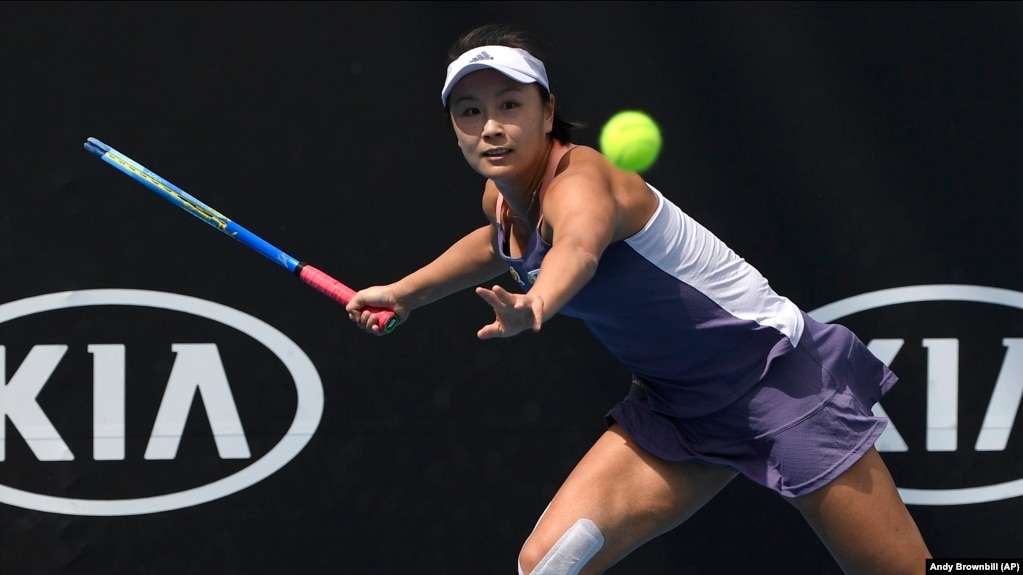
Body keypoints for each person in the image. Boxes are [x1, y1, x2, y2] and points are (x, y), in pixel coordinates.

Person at [347, 23, 932, 575]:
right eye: (469, 112)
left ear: (547, 112)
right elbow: (496, 246)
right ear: (453, 125)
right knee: (548, 566)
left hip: (778, 382)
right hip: (675, 409)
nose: (490, 127)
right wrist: (403, 294)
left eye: (509, 105)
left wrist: (538, 301)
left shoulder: (583, 181)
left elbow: (578, 246)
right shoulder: (499, 201)